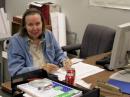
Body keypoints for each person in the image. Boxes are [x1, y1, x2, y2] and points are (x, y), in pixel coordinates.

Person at [8, 8, 72, 76]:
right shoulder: (16, 41)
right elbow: (16, 71)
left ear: (42, 23)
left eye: (38, 23)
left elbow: (59, 54)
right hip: (29, 80)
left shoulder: (48, 34)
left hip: (50, 77)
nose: (35, 28)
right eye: (30, 25)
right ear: (25, 26)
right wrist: (41, 69)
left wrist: (64, 61)